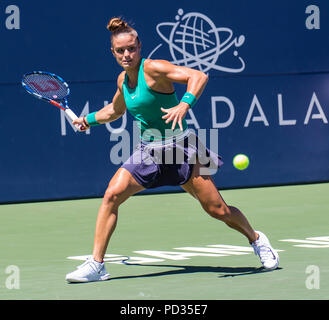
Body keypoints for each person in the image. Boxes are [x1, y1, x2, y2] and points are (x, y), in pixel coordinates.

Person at [65, 17, 279, 283]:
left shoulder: (154, 69)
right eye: (120, 50)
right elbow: (115, 110)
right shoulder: (123, 79)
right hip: (148, 151)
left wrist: (185, 104)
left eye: (131, 48)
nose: (126, 54)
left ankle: (257, 240)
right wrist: (88, 120)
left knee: (218, 210)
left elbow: (198, 75)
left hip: (182, 148)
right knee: (112, 195)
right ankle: (97, 264)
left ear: (139, 46)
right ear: (113, 52)